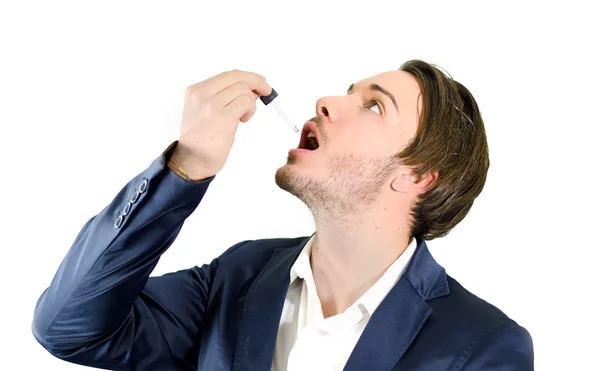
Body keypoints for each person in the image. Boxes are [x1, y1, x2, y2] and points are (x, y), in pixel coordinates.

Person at [32, 61, 534, 371]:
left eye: (375, 107)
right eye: (350, 90)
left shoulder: (484, 347)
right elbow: (69, 329)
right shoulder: (236, 278)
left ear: (418, 176)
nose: (327, 102)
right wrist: (187, 167)